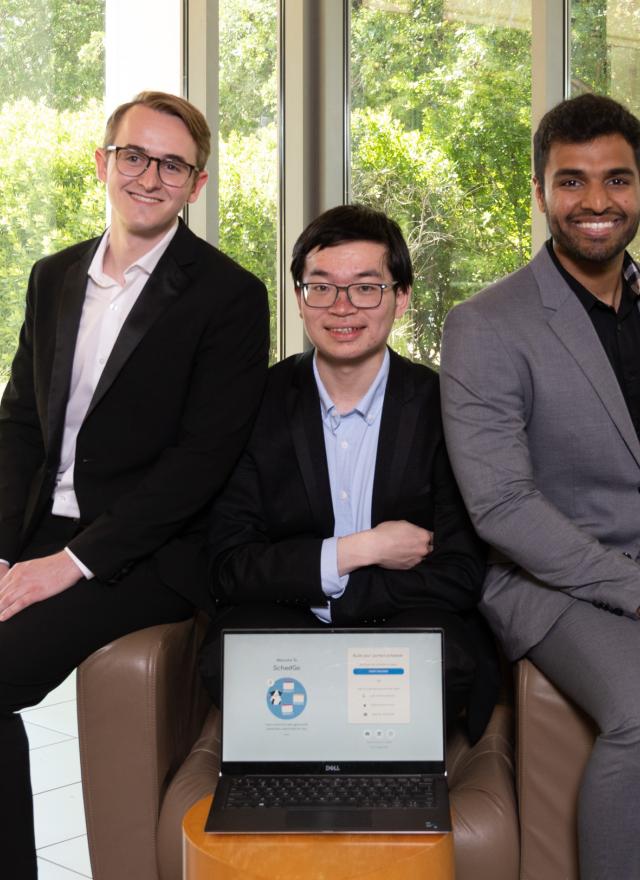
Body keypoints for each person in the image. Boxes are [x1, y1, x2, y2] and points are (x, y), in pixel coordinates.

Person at [0, 90, 269, 876]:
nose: (150, 176)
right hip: (37, 530)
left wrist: (68, 564)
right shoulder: (53, 277)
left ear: (198, 183)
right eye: (134, 155)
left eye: (173, 164)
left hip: (145, 551)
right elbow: (17, 425)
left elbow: (200, 465)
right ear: (102, 163)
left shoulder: (229, 297)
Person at [200, 203, 498, 742]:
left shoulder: (443, 406)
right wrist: (363, 550)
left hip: (403, 627)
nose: (342, 307)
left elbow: (458, 573)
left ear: (400, 297)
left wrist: (337, 601)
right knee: (229, 659)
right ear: (299, 298)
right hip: (283, 628)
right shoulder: (253, 403)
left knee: (446, 662)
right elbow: (230, 567)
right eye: (322, 287)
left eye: (366, 288)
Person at [440, 92, 640, 880]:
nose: (596, 202)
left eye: (618, 179)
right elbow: (503, 508)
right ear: (540, 192)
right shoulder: (488, 324)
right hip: (547, 581)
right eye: (572, 181)